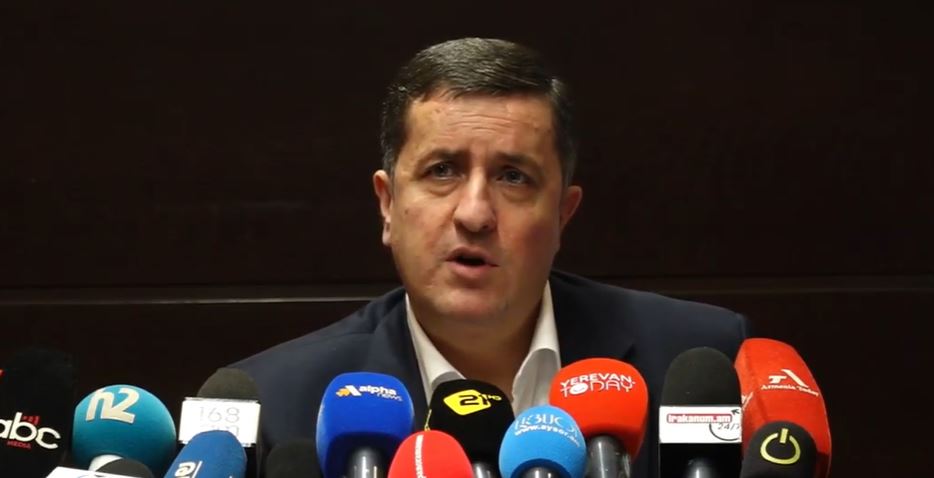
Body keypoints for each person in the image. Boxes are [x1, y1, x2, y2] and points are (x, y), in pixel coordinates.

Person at [231, 37, 751, 477]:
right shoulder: (276, 408)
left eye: (513, 177)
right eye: (442, 171)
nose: (475, 214)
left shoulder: (703, 359)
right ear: (388, 205)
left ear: (563, 214)